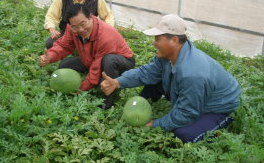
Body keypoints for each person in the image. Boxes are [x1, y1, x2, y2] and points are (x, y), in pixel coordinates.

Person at [100, 14, 241, 143]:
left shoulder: (192, 74)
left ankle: (219, 122)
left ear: (174, 40)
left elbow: (187, 113)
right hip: (196, 90)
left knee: (184, 134)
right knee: (153, 81)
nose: (154, 43)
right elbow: (146, 73)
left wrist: (155, 124)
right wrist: (118, 82)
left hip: (219, 105)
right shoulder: (167, 55)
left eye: (157, 39)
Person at [40, 3, 135, 109]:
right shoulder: (72, 28)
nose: (80, 29)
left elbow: (96, 67)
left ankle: (107, 99)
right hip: (92, 57)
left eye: (83, 24)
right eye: (75, 27)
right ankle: (99, 80)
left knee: (109, 61)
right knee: (64, 65)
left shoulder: (105, 35)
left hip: (122, 62)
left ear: (90, 17)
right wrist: (51, 56)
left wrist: (82, 89)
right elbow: (64, 45)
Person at [44, 0, 114, 49]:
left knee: (103, 44)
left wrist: (107, 31)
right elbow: (51, 16)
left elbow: (108, 16)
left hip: (89, 33)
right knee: (50, 44)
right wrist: (52, 30)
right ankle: (76, 47)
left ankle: (84, 49)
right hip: (68, 33)